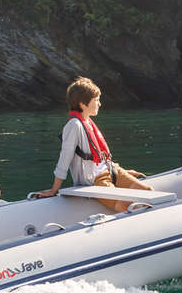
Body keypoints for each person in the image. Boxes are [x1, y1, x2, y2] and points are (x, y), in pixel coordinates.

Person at [34, 77, 152, 212]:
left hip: (112, 170)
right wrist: (54, 189)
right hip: (96, 180)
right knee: (127, 205)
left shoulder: (88, 121)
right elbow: (64, 159)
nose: (99, 104)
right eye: (96, 100)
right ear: (83, 104)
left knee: (148, 192)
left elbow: (100, 157)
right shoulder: (74, 125)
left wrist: (123, 171)